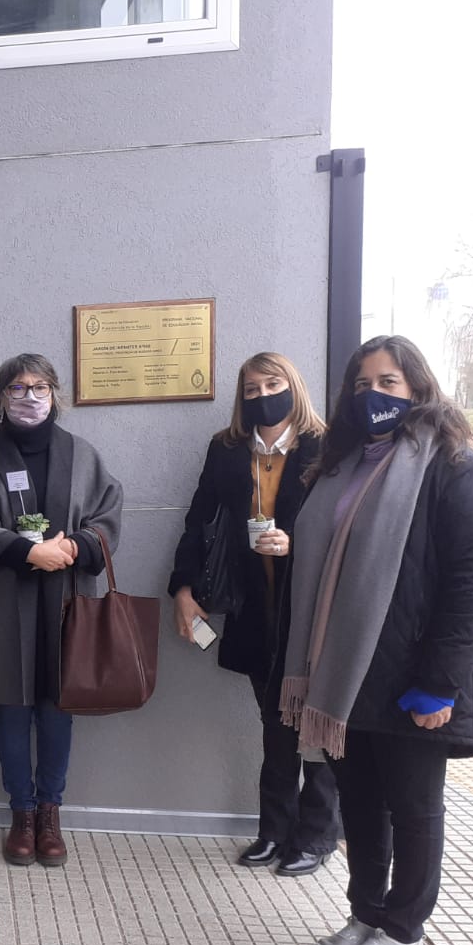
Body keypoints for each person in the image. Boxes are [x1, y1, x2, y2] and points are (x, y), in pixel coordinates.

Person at [281, 335, 473, 945]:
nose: (373, 395)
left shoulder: (455, 465)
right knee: (360, 803)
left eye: (388, 382)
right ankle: (367, 914)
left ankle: (405, 931)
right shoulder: (343, 463)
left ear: (417, 388)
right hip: (347, 674)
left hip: (413, 675)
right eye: (362, 384)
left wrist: (441, 683)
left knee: (413, 807)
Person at [168, 352, 339, 876]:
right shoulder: (226, 449)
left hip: (312, 613)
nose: (263, 395)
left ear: (293, 386)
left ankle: (317, 836)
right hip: (254, 610)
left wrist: (297, 544)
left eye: (272, 383)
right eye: (251, 388)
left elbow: (346, 528)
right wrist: (183, 588)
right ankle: (274, 831)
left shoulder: (327, 445)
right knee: (275, 725)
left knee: (318, 726)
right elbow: (199, 520)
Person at [0, 354, 122, 867]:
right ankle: (21, 815)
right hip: (5, 605)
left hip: (66, 603)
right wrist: (29, 553)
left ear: (55, 394)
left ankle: (50, 813)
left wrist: (71, 547)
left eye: (40, 387)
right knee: (11, 709)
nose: (29, 397)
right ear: (0, 398)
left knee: (56, 710)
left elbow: (108, 515)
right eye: (18, 388)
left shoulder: (83, 456)